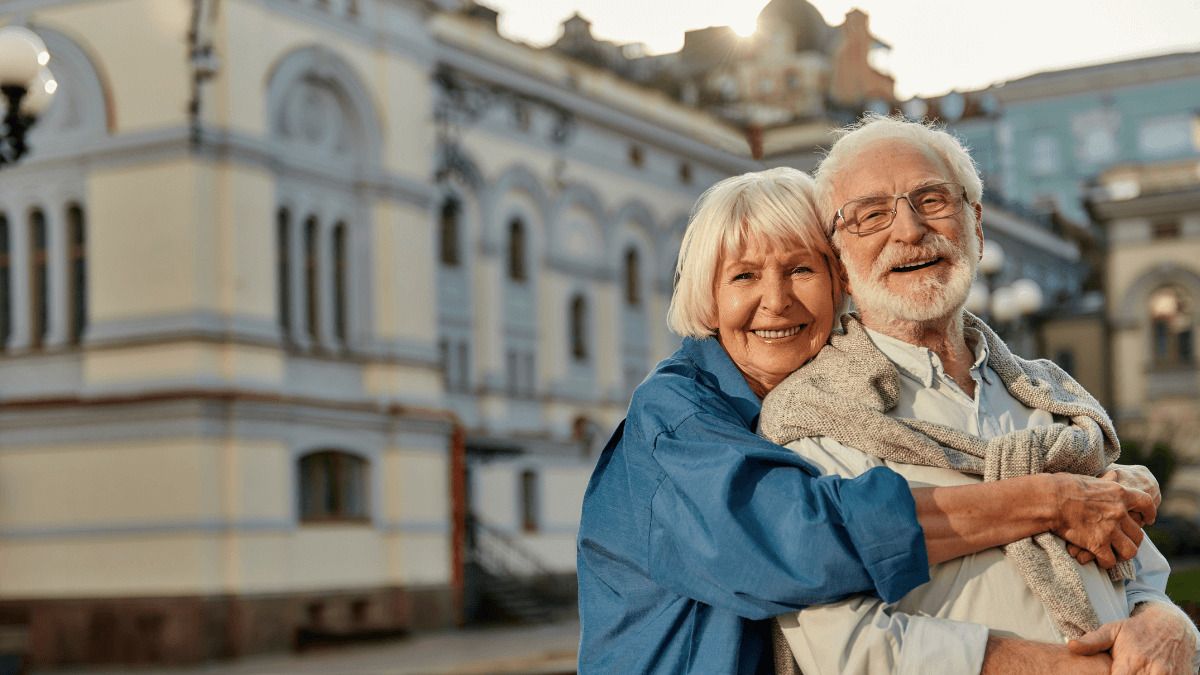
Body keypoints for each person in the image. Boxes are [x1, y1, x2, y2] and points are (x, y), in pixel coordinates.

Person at [575, 167, 1158, 674]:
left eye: (801, 269)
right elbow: (803, 542)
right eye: (744, 276)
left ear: (839, 282)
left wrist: (1097, 481)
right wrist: (1050, 499)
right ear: (707, 295)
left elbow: (967, 458)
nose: (775, 301)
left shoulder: (837, 404)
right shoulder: (675, 420)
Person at [760, 114, 1200, 674]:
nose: (910, 230)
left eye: (933, 200)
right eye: (872, 215)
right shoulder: (811, 418)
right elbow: (849, 645)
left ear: (977, 225)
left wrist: (1165, 620)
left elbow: (1138, 567)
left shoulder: (1053, 393)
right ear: (840, 266)